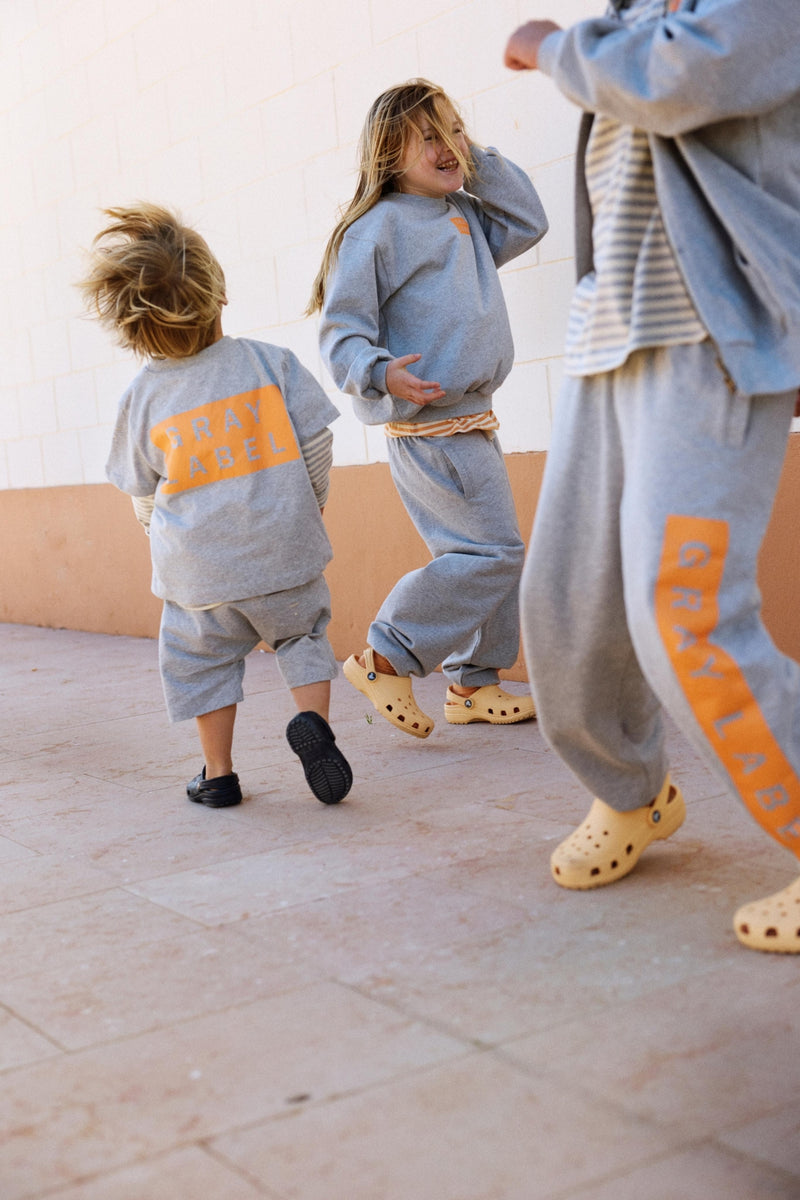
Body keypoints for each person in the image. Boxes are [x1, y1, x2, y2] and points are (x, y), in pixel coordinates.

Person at [504, 1, 800, 951]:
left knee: (684, 609)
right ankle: (630, 791)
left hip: (714, 333)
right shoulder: (635, 12)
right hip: (609, 335)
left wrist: (555, 49)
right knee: (567, 601)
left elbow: (686, 77)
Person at [80, 204, 353, 808]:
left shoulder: (142, 397)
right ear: (218, 292)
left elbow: (143, 492)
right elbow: (316, 442)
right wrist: (308, 507)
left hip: (198, 572)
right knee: (303, 635)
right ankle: (316, 727)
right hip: (285, 550)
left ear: (132, 329)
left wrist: (161, 538)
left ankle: (219, 774)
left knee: (200, 663)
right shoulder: (267, 362)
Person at [310, 79, 548, 738]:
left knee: (494, 553)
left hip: (472, 418)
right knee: (490, 554)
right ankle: (388, 652)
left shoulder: (465, 213)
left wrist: (480, 159)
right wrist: (380, 371)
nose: (450, 147)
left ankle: (474, 685)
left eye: (455, 130)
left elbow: (528, 219)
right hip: (431, 424)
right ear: (389, 154)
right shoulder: (378, 229)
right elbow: (341, 331)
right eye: (432, 136)